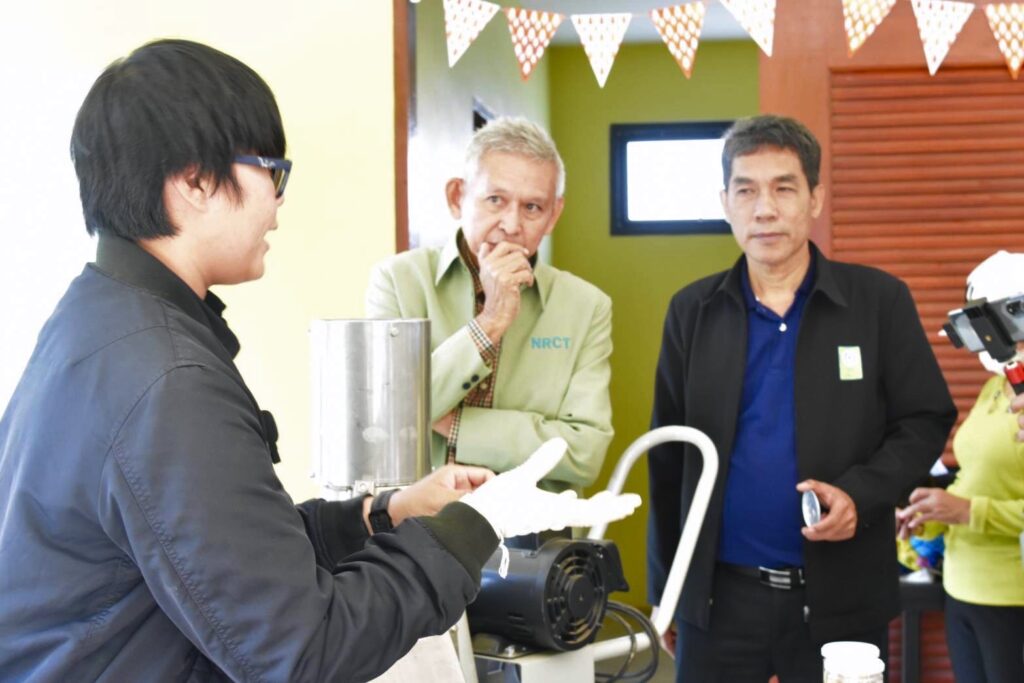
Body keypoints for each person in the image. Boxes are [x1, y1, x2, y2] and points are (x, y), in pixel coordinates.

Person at [0, 40, 640, 682]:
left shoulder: (98, 320)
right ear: (194, 181)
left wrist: (385, 513)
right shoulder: (169, 379)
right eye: (272, 172)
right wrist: (475, 525)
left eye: (533, 206)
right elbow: (303, 650)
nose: (279, 202)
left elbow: (237, 553)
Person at [646, 114, 957, 682]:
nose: (764, 209)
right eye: (746, 190)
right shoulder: (692, 311)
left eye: (783, 188)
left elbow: (925, 418)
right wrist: (667, 590)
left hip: (843, 598)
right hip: (718, 600)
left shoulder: (878, 301)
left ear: (815, 198)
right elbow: (669, 459)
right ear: (725, 203)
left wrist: (861, 494)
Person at [366, 117, 613, 492]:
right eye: (495, 200)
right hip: (417, 521)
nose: (512, 224)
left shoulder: (587, 306)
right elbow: (386, 415)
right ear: (457, 197)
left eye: (532, 207)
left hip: (535, 523)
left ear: (553, 215)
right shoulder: (398, 281)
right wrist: (491, 322)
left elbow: (585, 453)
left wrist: (456, 426)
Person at [897, 250, 1024, 682]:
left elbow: (975, 503)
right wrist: (931, 515)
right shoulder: (996, 387)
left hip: (1012, 596)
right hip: (962, 587)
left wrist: (968, 511)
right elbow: (974, 478)